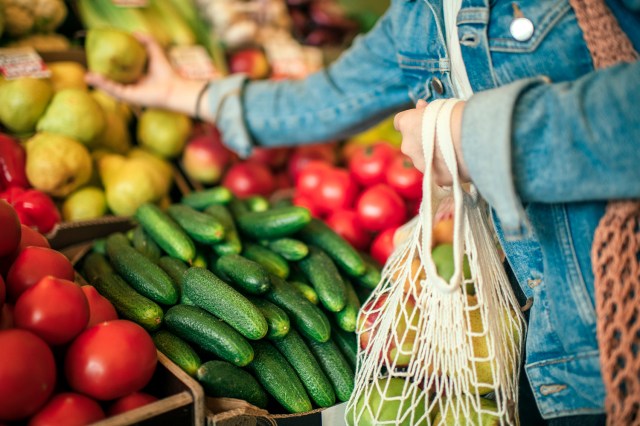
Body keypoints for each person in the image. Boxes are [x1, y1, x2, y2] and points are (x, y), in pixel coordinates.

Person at [87, 1, 640, 423]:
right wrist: (187, 94)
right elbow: (328, 98)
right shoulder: (420, 13)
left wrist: (477, 137)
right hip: (538, 349)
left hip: (616, 340)